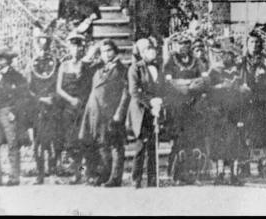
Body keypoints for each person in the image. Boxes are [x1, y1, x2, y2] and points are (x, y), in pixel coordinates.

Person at [79, 39, 130, 187]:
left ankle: (115, 177)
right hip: (95, 111)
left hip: (111, 112)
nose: (106, 54)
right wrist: (93, 51)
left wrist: (119, 113)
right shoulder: (97, 68)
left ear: (115, 51)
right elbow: (83, 68)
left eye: (109, 50)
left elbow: (126, 93)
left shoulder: (122, 70)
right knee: (100, 144)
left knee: (115, 145)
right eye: (103, 52)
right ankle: (104, 175)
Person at [163, 31, 210, 183]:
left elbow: (204, 79)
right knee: (179, 140)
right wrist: (186, 84)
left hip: (193, 105)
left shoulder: (196, 60)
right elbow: (168, 81)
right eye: (181, 44)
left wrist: (190, 84)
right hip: (177, 106)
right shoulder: (170, 60)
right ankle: (175, 174)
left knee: (194, 139)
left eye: (187, 44)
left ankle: (193, 174)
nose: (184, 47)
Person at [206, 39, 250, 185]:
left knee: (234, 143)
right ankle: (219, 173)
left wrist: (241, 88)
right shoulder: (214, 70)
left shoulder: (238, 70)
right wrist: (221, 86)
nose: (227, 58)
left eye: (230, 55)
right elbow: (207, 89)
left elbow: (246, 88)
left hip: (234, 111)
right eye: (224, 55)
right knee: (219, 143)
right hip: (218, 111)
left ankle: (234, 174)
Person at [0, 48, 29, 187]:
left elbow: (23, 96)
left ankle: (14, 177)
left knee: (12, 144)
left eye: (2, 59)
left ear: (8, 60)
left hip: (9, 112)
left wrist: (14, 111)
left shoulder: (16, 76)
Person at [55, 33, 92, 183]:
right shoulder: (63, 66)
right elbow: (59, 89)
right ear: (69, 49)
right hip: (69, 109)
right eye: (73, 47)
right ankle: (77, 173)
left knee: (83, 141)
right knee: (71, 143)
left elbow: (90, 87)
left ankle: (86, 172)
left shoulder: (87, 66)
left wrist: (82, 101)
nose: (76, 50)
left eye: (79, 47)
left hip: (83, 108)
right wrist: (71, 100)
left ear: (83, 49)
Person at [127, 38, 164, 189]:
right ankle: (136, 179)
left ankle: (152, 179)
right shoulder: (135, 68)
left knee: (153, 146)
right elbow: (134, 91)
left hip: (154, 111)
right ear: (142, 52)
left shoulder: (157, 67)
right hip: (141, 111)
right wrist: (151, 102)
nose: (152, 51)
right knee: (141, 145)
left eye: (153, 48)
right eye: (149, 48)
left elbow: (162, 87)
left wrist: (160, 102)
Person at [242, 24, 266, 178]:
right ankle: (245, 166)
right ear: (247, 44)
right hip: (247, 102)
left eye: (257, 43)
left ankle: (262, 166)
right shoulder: (242, 61)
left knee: (264, 135)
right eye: (251, 43)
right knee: (247, 134)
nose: (254, 45)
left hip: (263, 102)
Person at [28, 35, 61, 184]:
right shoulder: (32, 64)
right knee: (38, 142)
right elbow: (28, 89)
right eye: (40, 46)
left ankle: (53, 173)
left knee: (53, 141)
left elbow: (59, 84)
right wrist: (40, 99)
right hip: (38, 108)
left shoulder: (55, 63)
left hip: (53, 107)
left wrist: (52, 98)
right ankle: (40, 174)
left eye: (45, 46)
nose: (42, 49)